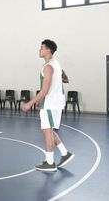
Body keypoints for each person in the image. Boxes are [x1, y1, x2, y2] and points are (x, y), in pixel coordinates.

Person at [21, 39, 74, 171]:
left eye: (42, 48)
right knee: (47, 129)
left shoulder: (48, 67)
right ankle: (64, 153)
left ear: (48, 50)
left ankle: (50, 163)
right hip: (56, 102)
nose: (39, 50)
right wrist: (56, 79)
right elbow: (66, 79)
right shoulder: (56, 64)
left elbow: (44, 90)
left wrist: (30, 103)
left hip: (51, 103)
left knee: (47, 131)